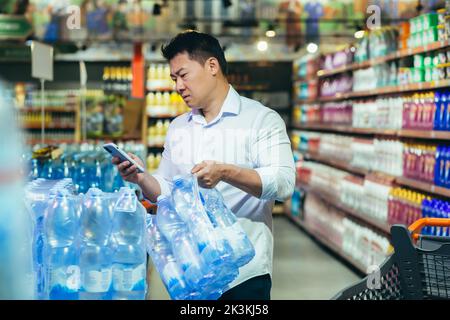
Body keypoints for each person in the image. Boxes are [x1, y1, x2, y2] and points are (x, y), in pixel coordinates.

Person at [112, 30, 295, 300]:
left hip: (245, 276)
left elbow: (283, 184)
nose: (178, 86)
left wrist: (225, 172)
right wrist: (140, 177)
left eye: (183, 75)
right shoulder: (178, 128)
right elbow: (165, 190)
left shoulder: (261, 119)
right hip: (192, 274)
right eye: (174, 79)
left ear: (212, 66)